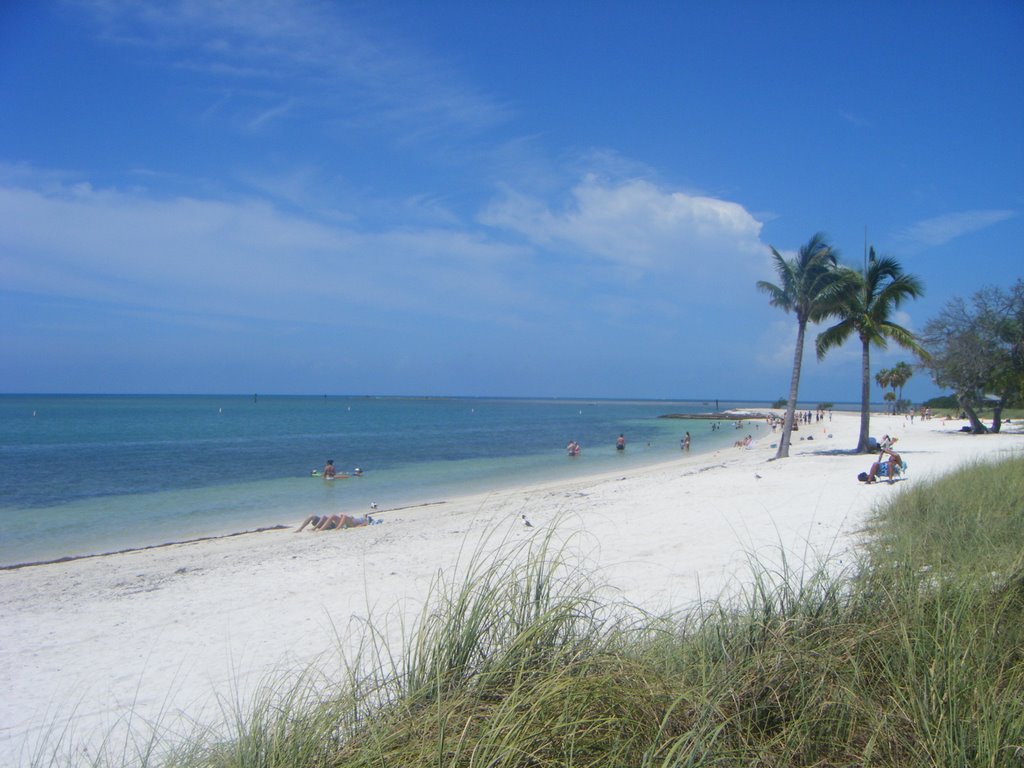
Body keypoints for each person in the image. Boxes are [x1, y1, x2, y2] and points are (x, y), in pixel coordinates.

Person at [296, 513, 377, 531]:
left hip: (339, 524)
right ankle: (300, 529)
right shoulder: (362, 517)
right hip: (340, 522)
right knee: (312, 516)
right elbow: (364, 515)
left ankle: (317, 529)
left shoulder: (365, 521)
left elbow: (364, 524)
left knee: (339, 516)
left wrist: (338, 528)